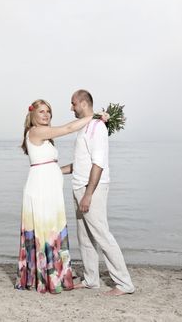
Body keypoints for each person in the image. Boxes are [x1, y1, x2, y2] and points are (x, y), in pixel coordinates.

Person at [15, 99, 94, 294]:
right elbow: (68, 128)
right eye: (41, 111)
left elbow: (51, 166)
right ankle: (48, 278)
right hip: (41, 188)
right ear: (33, 115)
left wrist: (77, 168)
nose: (46, 115)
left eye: (48, 111)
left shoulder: (45, 136)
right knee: (46, 229)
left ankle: (53, 273)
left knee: (52, 228)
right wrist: (93, 116)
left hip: (48, 185)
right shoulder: (36, 131)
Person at [61, 90, 135, 296]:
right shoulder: (84, 127)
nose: (71, 107)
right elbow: (82, 163)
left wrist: (88, 194)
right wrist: (56, 170)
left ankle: (124, 283)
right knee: (84, 238)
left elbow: (98, 164)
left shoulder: (98, 127)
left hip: (91, 189)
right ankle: (91, 279)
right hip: (79, 186)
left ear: (83, 103)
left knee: (102, 235)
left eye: (73, 103)